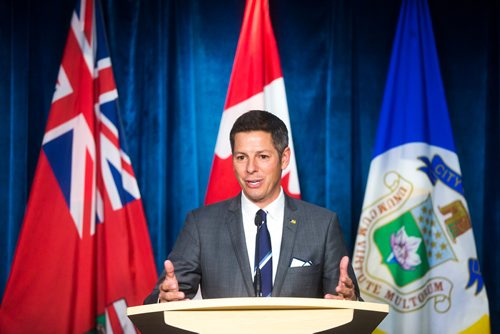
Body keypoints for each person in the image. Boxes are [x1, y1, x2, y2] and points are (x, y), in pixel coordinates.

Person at [144, 110, 361, 303]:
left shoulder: (322, 225)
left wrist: (350, 302)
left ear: (284, 158)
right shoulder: (201, 225)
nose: (250, 168)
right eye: (241, 157)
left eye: (263, 157)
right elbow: (159, 299)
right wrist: (165, 300)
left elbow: (346, 303)